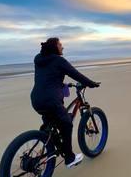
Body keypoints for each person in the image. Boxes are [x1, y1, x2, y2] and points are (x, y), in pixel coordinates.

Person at [30, 37, 100, 168]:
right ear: (54, 47)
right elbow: (75, 74)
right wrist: (91, 84)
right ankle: (69, 158)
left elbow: (46, 78)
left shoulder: (38, 59)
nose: (62, 47)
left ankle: (49, 142)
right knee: (67, 124)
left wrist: (61, 84)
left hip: (36, 99)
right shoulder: (58, 60)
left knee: (52, 123)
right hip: (51, 100)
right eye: (60, 45)